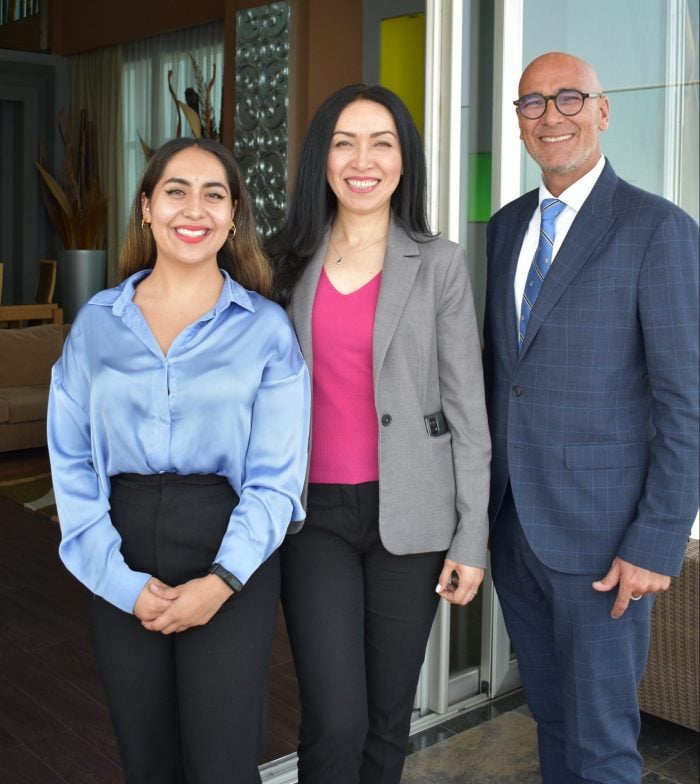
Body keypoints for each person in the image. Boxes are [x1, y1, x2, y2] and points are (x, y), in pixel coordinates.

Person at [47, 137, 310, 784]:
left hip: (232, 541)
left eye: (213, 194)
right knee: (148, 763)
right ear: (145, 208)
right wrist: (118, 581)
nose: (194, 209)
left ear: (232, 216)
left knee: (221, 765)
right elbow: (70, 461)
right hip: (121, 538)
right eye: (176, 191)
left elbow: (277, 481)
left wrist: (221, 581)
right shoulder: (97, 325)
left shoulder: (266, 330)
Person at [483, 52, 699, 784]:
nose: (552, 116)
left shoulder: (657, 228)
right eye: (533, 104)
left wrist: (657, 540)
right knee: (551, 719)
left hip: (607, 546)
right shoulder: (504, 229)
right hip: (514, 529)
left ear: (603, 111)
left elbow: (685, 402)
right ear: (518, 123)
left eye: (570, 99)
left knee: (603, 742)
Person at [267, 84, 491, 784]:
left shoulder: (441, 263)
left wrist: (471, 536)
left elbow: (467, 411)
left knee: (387, 719)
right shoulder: (283, 261)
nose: (362, 160)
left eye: (381, 143)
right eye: (344, 142)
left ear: (404, 160)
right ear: (321, 159)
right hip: (316, 518)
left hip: (414, 519)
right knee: (336, 720)